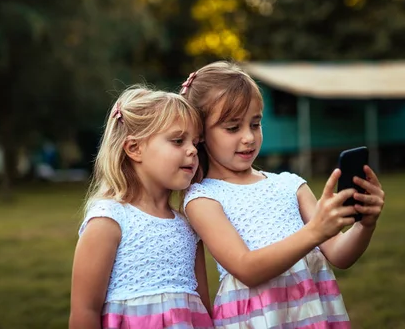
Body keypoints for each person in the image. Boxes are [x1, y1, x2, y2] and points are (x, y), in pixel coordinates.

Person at [180, 62, 386, 328]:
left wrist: (365, 224)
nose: (248, 137)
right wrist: (314, 232)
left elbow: (340, 254)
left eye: (255, 124)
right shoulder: (203, 199)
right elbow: (247, 269)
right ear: (200, 134)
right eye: (233, 128)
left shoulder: (290, 185)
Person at [70, 86, 213, 329]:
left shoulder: (190, 226)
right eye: (178, 140)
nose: (192, 150)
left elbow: (204, 307)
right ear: (134, 148)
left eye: (196, 143)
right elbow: (85, 311)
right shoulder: (109, 221)